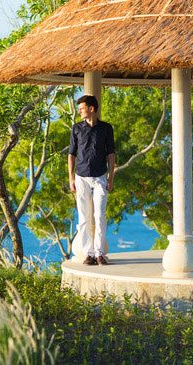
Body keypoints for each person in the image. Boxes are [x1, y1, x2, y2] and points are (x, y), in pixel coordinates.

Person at [68, 95, 115, 265]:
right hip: (81, 178)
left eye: (82, 108)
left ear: (92, 109)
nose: (80, 111)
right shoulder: (76, 129)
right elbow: (71, 154)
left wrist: (111, 177)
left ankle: (100, 253)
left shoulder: (106, 129)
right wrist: (71, 178)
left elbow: (111, 154)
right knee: (84, 217)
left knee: (99, 215)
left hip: (100, 177)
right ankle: (88, 253)